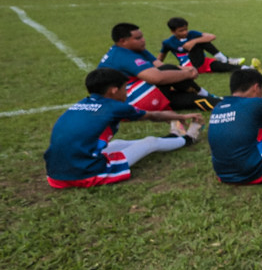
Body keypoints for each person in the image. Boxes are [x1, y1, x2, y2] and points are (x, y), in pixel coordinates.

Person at [44, 67, 202, 188]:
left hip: (55, 174)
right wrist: (181, 117)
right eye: (124, 88)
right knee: (150, 142)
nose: (126, 92)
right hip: (85, 173)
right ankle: (188, 138)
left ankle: (174, 137)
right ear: (114, 90)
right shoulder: (115, 107)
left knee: (116, 144)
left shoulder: (81, 104)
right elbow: (155, 115)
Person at [99, 22, 220, 112]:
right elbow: (157, 78)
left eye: (142, 36)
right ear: (123, 41)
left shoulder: (133, 49)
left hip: (137, 94)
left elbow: (159, 65)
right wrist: (187, 73)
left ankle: (224, 104)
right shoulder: (123, 55)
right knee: (169, 72)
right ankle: (206, 94)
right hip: (129, 101)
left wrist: (187, 68)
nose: (143, 40)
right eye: (138, 38)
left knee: (191, 99)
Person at [207, 68, 262, 185]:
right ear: (256, 87)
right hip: (260, 172)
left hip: (223, 175)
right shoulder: (257, 103)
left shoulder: (218, 107)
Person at [158, 17, 260, 75]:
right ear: (172, 31)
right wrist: (156, 70)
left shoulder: (192, 34)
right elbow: (160, 59)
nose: (185, 32)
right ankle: (224, 58)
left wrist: (193, 41)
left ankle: (250, 69)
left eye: (186, 29)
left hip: (203, 62)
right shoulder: (168, 43)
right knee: (199, 43)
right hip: (189, 66)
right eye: (181, 31)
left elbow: (211, 36)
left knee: (225, 67)